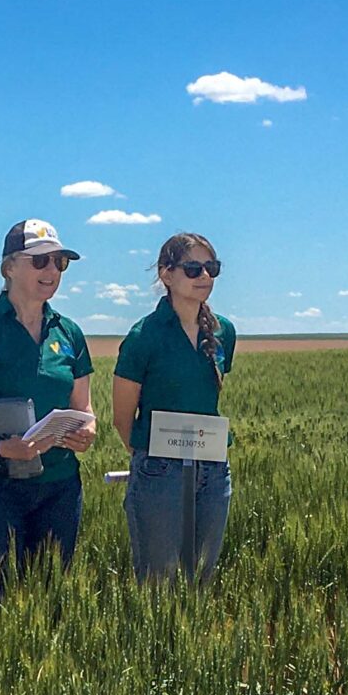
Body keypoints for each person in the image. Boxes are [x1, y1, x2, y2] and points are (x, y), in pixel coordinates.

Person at [0, 218, 98, 574]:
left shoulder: (69, 333)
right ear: (9, 267)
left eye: (59, 262)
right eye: (39, 261)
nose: (52, 271)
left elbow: (84, 407)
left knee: (53, 593)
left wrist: (86, 432)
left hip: (59, 485)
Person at [112, 231, 236, 583]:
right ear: (166, 275)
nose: (205, 277)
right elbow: (122, 418)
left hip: (213, 468)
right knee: (158, 581)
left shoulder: (224, 331)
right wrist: (151, 460)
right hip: (159, 469)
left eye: (212, 268)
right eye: (193, 269)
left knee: (202, 575)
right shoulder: (144, 336)